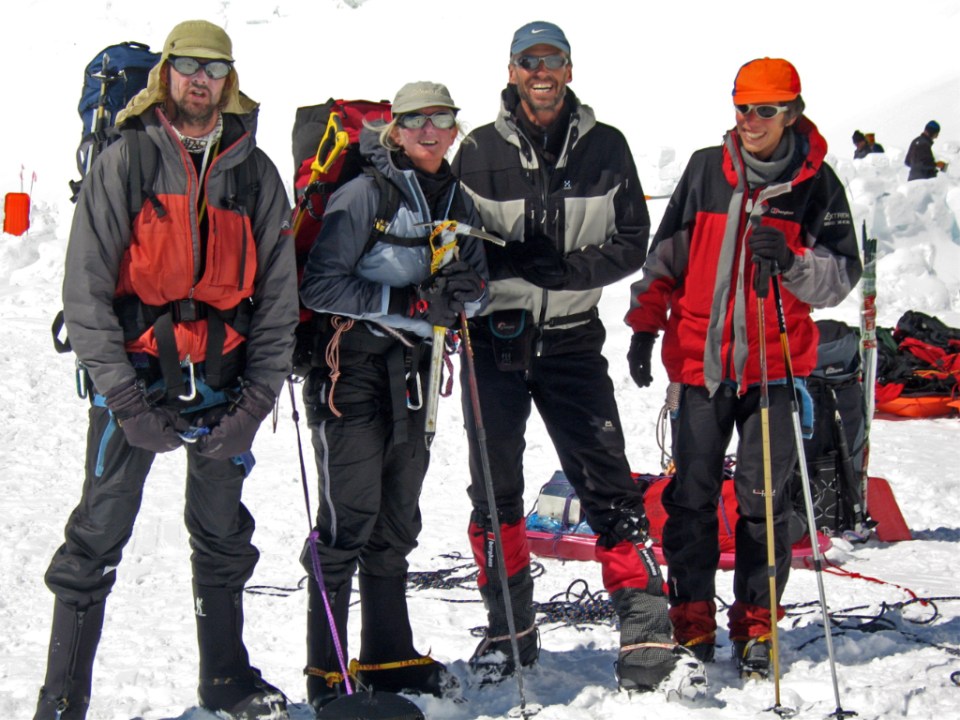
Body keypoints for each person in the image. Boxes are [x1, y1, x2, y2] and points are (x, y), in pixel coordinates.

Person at [32, 20, 298, 720]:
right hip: (137, 380)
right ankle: (61, 701)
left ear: (229, 79)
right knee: (97, 533)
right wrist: (125, 401)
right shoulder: (125, 161)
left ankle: (226, 680)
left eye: (214, 67)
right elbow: (85, 292)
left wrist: (255, 403)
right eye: (187, 66)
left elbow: (278, 302)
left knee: (222, 533)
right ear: (167, 75)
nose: (200, 80)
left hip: (226, 384)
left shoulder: (256, 172)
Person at [452, 21, 682, 692]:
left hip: (574, 339)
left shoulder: (607, 148)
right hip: (494, 339)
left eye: (551, 60)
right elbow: (456, 244)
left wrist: (565, 272)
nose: (541, 72)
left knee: (606, 480)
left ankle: (645, 631)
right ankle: (509, 632)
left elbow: (633, 239)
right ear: (513, 70)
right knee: (494, 489)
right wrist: (509, 260)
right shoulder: (477, 149)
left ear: (570, 69)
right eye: (530, 61)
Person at [624, 57, 862, 679]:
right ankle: (692, 622)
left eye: (764, 110)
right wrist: (645, 326)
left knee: (762, 500)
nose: (750, 120)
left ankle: (757, 627)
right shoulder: (707, 169)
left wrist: (791, 259)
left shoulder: (819, 186)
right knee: (692, 497)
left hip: (774, 372)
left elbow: (839, 281)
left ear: (792, 113)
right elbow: (665, 256)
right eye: (742, 107)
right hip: (702, 367)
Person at [298, 81, 488, 710]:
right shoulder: (363, 194)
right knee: (348, 517)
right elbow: (320, 285)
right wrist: (409, 304)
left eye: (442, 120)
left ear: (455, 129)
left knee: (397, 517)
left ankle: (386, 656)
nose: (430, 132)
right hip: (348, 368)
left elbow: (480, 292)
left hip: (415, 373)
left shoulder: (460, 198)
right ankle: (326, 673)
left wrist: (466, 292)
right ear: (395, 131)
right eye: (416, 121)